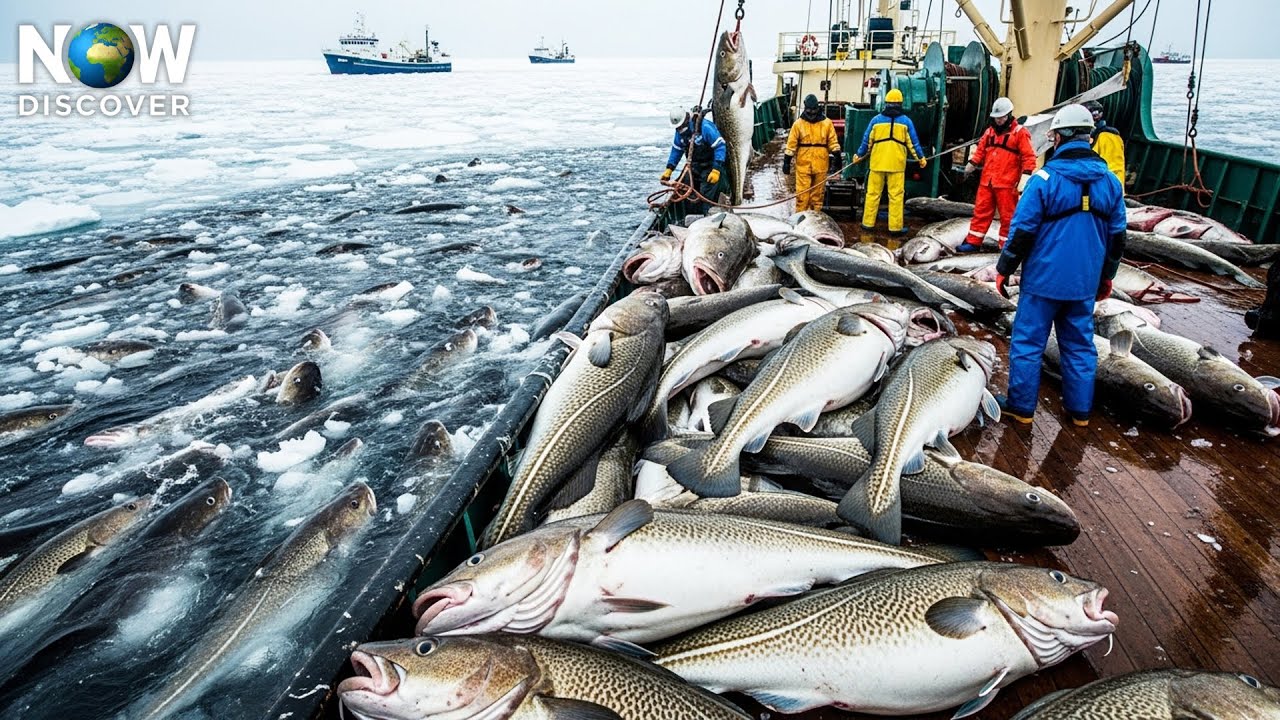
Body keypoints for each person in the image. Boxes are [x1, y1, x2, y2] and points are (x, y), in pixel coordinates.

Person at [993, 103, 1127, 427]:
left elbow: (1022, 230)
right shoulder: (1110, 183)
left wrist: (1004, 268)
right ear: (1089, 137)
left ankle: (1021, 408)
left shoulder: (1043, 179)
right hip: (1084, 283)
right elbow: (1118, 237)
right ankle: (1080, 412)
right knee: (1080, 346)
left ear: (1057, 138)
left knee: (1027, 344)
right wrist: (1106, 276)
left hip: (1042, 281)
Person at [957, 97, 1036, 252]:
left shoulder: (1020, 133)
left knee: (1008, 217)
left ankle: (1006, 247)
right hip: (987, 182)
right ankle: (973, 242)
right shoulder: (989, 132)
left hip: (1007, 184)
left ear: (1009, 115)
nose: (998, 121)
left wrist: (1026, 176)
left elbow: (1029, 157)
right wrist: (971, 164)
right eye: (996, 118)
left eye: (1001, 118)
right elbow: (980, 151)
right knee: (980, 212)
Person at [852, 88, 926, 233]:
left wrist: (858, 156)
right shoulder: (906, 122)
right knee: (896, 197)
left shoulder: (876, 120)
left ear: (886, 103)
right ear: (900, 103)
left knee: (872, 194)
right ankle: (895, 228)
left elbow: (866, 142)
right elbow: (914, 144)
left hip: (877, 164)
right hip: (896, 166)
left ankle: (867, 224)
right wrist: (921, 158)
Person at [661, 106, 727, 214]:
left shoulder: (704, 127)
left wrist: (716, 169)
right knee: (686, 191)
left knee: (706, 194)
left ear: (687, 120)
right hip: (694, 167)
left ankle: (708, 216)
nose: (679, 130)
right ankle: (692, 215)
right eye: (677, 128)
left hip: (710, 166)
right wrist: (669, 168)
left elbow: (720, 147)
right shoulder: (680, 132)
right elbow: (677, 149)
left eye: (681, 126)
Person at [783, 94, 842, 212]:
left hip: (820, 164)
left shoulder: (827, 123)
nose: (811, 113)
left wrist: (837, 157)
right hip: (804, 165)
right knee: (802, 195)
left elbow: (833, 142)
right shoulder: (798, 124)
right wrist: (787, 162)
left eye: (813, 110)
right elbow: (791, 144)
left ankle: (815, 218)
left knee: (818, 195)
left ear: (817, 108)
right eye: (809, 110)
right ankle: (801, 219)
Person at [1085, 100, 1126, 188]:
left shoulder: (1108, 137)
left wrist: (1114, 197)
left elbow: (1115, 171)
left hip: (1106, 194)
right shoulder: (1086, 137)